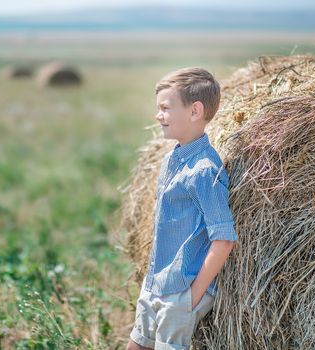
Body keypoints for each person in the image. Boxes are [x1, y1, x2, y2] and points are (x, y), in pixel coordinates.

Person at [127, 67, 237, 350]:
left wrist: (191, 297)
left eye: (165, 107)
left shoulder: (203, 171)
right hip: (155, 283)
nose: (158, 115)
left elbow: (223, 240)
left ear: (194, 111)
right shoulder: (171, 161)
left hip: (180, 292)